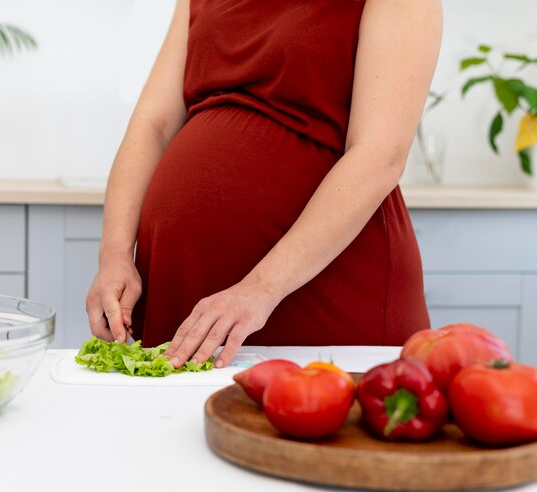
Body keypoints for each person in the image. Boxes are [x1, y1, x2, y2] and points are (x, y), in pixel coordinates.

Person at [86, 0, 442, 369]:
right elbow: (152, 124)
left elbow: (379, 155)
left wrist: (260, 289)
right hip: (182, 290)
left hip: (321, 296)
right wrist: (114, 256)